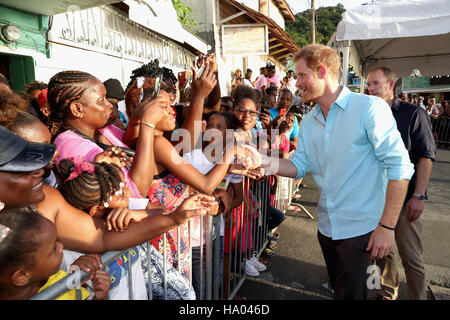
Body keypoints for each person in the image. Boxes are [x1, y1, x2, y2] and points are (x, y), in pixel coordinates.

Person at [257, 44, 414, 300]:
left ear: (321, 71)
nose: (297, 84)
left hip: (365, 233)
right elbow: (299, 166)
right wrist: (261, 161)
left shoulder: (369, 108)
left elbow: (400, 168)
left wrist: (387, 226)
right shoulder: (308, 121)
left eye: (301, 75)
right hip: (328, 230)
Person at [58, 157, 196, 300]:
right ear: (97, 211)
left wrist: (138, 214)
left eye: (125, 188)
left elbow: (166, 213)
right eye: (122, 194)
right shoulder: (71, 256)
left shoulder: (125, 209)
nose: (129, 194)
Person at [367, 66, 436, 300]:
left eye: (376, 83)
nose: (371, 88)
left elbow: (426, 156)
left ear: (391, 84)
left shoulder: (414, 113)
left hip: (405, 199)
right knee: (380, 252)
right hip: (376, 198)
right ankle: (388, 294)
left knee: (411, 258)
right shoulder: (367, 112)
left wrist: (418, 196)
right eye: (369, 84)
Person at [47, 70, 166, 199]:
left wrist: (138, 114)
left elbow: (130, 143)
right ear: (77, 109)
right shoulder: (69, 145)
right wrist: (148, 125)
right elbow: (136, 192)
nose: (109, 105)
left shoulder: (102, 128)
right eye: (101, 100)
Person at [0, 207, 110, 300]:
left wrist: (74, 278)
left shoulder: (54, 279)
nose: (61, 247)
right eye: (53, 249)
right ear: (22, 276)